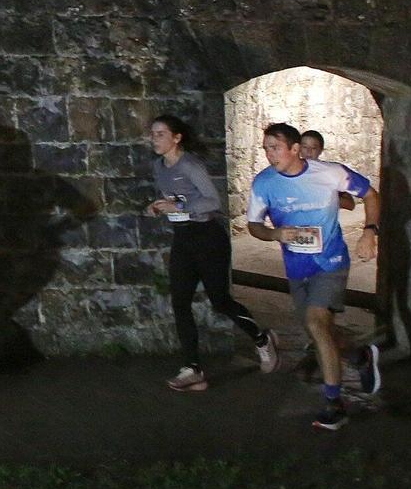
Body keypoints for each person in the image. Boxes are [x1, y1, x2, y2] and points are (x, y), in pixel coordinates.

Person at [246, 122, 379, 431]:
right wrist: (275, 233)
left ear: (294, 149)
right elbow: (254, 225)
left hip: (330, 262)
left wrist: (369, 232)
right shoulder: (264, 183)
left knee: (317, 323)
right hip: (296, 267)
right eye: (265, 148)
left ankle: (334, 403)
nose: (269, 154)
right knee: (318, 332)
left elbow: (370, 195)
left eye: (275, 147)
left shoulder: (328, 173)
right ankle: (359, 355)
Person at [143, 115, 277, 391]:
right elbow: (176, 199)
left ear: (176, 137)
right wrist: (158, 207)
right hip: (183, 239)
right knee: (180, 302)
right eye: (153, 134)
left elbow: (212, 201)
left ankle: (261, 338)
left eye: (160, 134)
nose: (154, 139)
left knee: (220, 301)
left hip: (208, 238)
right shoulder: (159, 166)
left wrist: (179, 209)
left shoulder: (190, 164)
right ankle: (192, 369)